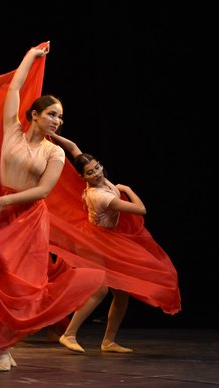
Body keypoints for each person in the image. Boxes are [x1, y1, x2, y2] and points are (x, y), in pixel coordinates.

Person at [0, 42, 105, 371]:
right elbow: (14, 87)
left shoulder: (54, 153)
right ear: (34, 114)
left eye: (61, 117)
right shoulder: (11, 131)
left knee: (20, 284)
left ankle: (4, 346)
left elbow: (43, 190)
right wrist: (32, 56)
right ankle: (4, 340)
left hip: (26, 218)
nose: (57, 120)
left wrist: (6, 199)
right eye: (52, 114)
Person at [45, 132, 181, 353]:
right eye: (90, 172)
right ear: (84, 178)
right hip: (92, 241)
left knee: (122, 293)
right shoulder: (100, 196)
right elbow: (141, 210)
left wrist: (52, 135)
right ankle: (69, 334)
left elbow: (74, 148)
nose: (97, 173)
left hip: (104, 239)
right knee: (100, 290)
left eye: (97, 167)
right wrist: (126, 189)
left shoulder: (101, 180)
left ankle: (108, 341)